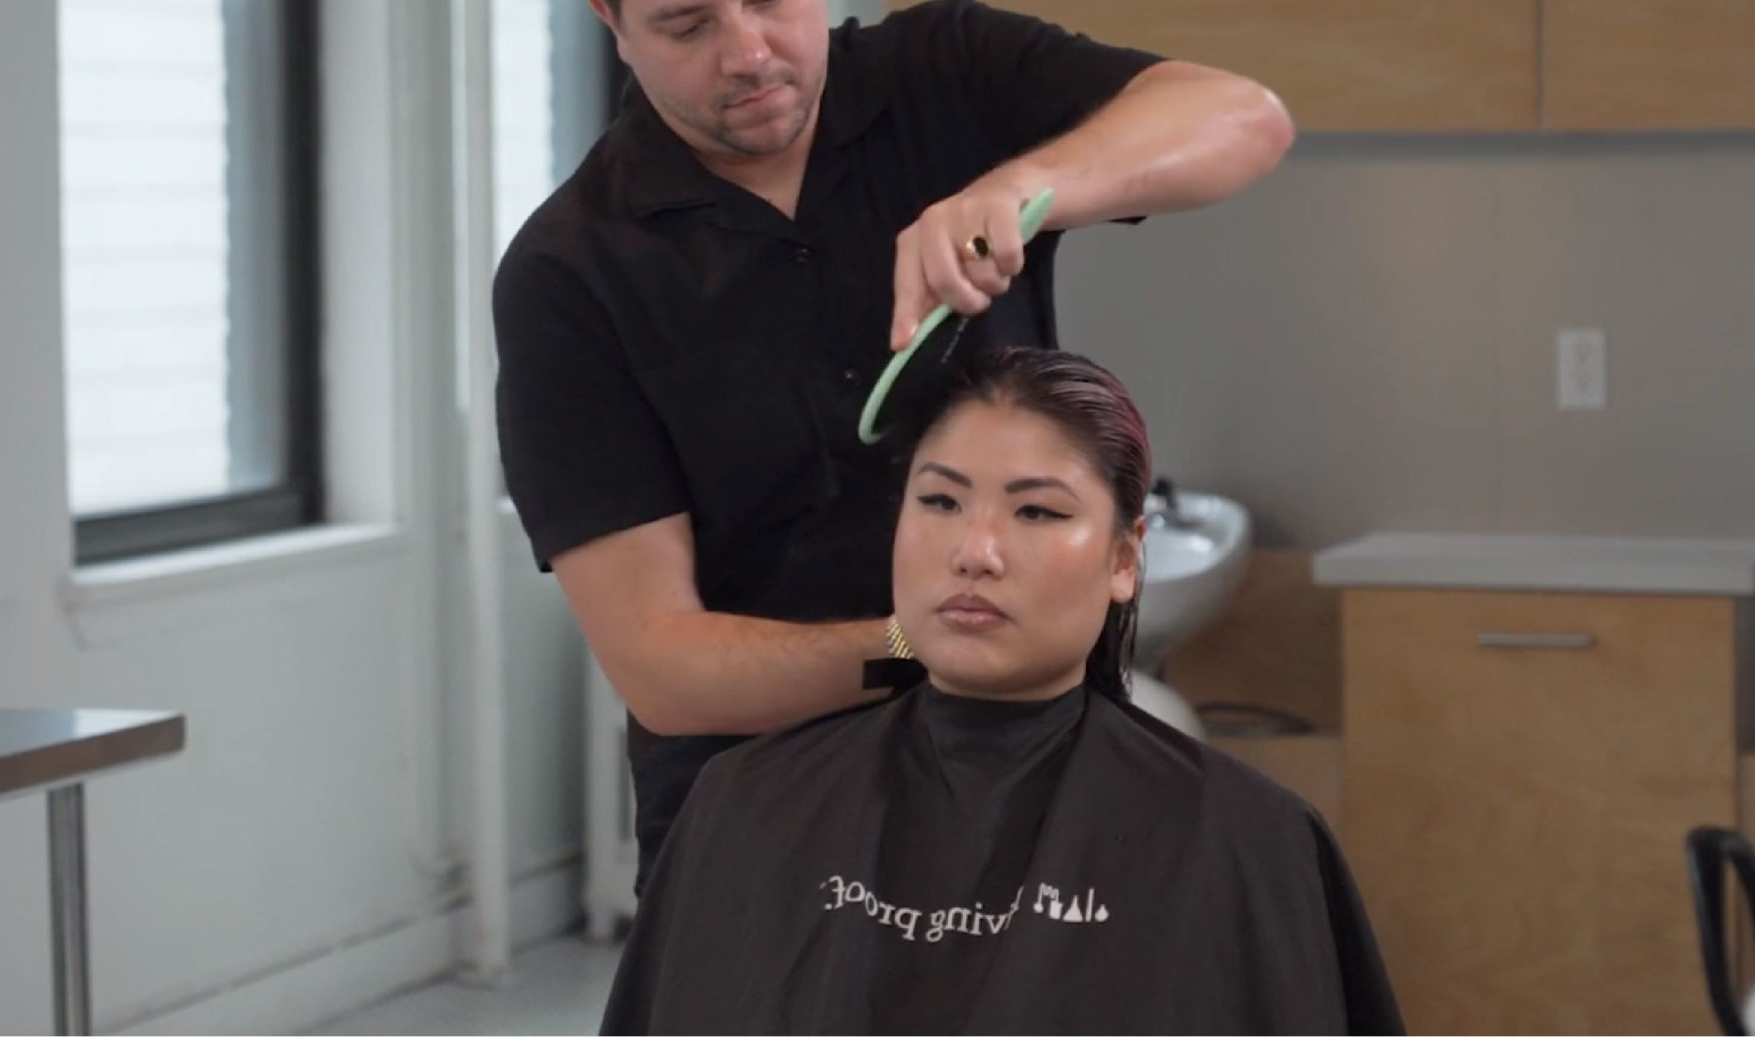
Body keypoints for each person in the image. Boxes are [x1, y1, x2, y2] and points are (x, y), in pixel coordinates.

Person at [492, 0, 1295, 889]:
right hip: (760, 824)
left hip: (1030, 796)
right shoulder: (568, 275)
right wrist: (933, 646)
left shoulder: (947, 78)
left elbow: (1244, 118)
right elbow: (664, 667)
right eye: (684, 24)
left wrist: (1028, 184)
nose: (748, 53)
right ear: (607, 21)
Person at [599, 347, 1403, 1035]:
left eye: (1038, 511)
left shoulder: (1250, 840)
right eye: (941, 500)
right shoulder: (744, 805)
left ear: (1125, 559)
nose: (975, 550)